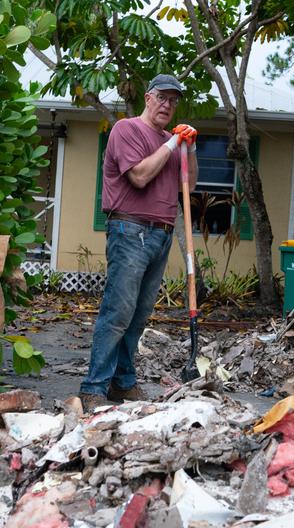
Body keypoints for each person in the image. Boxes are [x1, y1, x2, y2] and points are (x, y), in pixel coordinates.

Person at [78, 74, 199, 410]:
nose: (167, 105)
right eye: (162, 97)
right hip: (130, 231)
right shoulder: (127, 130)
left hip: (160, 234)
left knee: (139, 315)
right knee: (118, 311)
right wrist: (174, 144)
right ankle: (94, 387)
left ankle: (123, 382)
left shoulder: (170, 142)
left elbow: (187, 189)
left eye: (173, 100)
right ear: (148, 98)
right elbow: (141, 176)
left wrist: (190, 149)